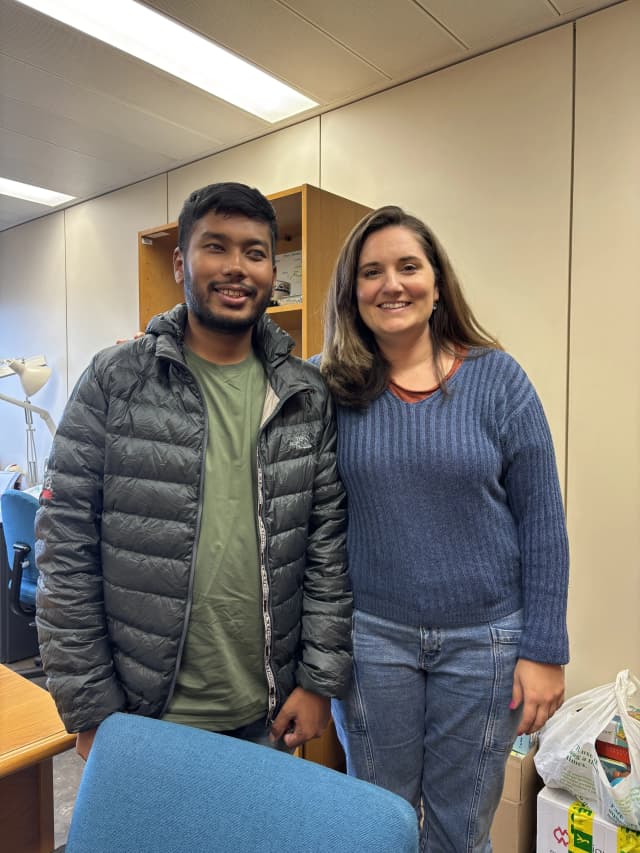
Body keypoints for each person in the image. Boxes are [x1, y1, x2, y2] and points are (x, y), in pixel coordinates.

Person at [35, 181, 352, 761]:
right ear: (181, 260)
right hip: (141, 714)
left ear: (271, 269)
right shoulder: (116, 381)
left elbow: (326, 552)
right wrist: (90, 708)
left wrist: (316, 681)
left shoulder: (305, 393)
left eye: (255, 252)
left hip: (268, 712)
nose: (237, 268)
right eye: (216, 247)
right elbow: (65, 551)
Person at [316, 205, 569, 852]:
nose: (391, 284)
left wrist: (544, 648)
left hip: (484, 644)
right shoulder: (331, 388)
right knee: (378, 818)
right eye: (371, 272)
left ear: (436, 282)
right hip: (371, 639)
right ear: (352, 292)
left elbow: (541, 518)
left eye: (408, 266)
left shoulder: (499, 379)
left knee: (461, 829)